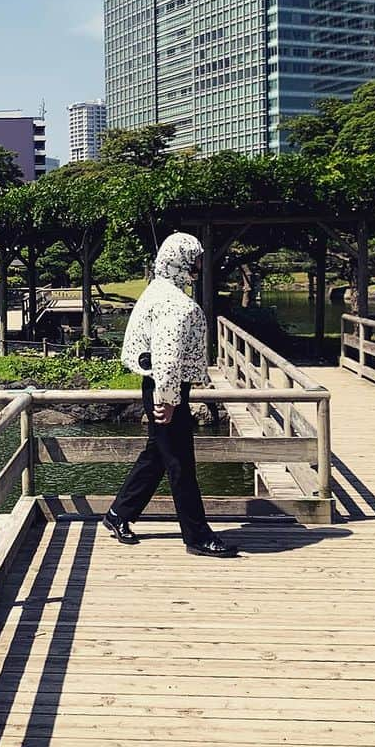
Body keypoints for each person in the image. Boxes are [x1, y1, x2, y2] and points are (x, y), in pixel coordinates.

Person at [103, 232, 236, 558]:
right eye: (197, 257)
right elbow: (167, 354)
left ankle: (119, 513)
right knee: (180, 463)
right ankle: (197, 535)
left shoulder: (158, 290)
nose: (202, 264)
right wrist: (168, 399)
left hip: (160, 383)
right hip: (166, 384)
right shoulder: (174, 303)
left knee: (158, 454)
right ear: (184, 260)